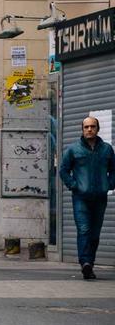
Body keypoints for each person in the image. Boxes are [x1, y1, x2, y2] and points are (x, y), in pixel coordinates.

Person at [59, 116, 115, 280]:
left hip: (100, 198)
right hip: (81, 198)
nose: (89, 129)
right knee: (84, 229)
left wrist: (110, 184)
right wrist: (74, 185)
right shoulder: (73, 150)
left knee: (95, 234)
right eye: (86, 127)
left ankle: (90, 263)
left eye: (92, 126)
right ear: (82, 130)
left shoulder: (106, 149)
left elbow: (113, 169)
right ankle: (85, 263)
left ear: (97, 129)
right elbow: (63, 170)